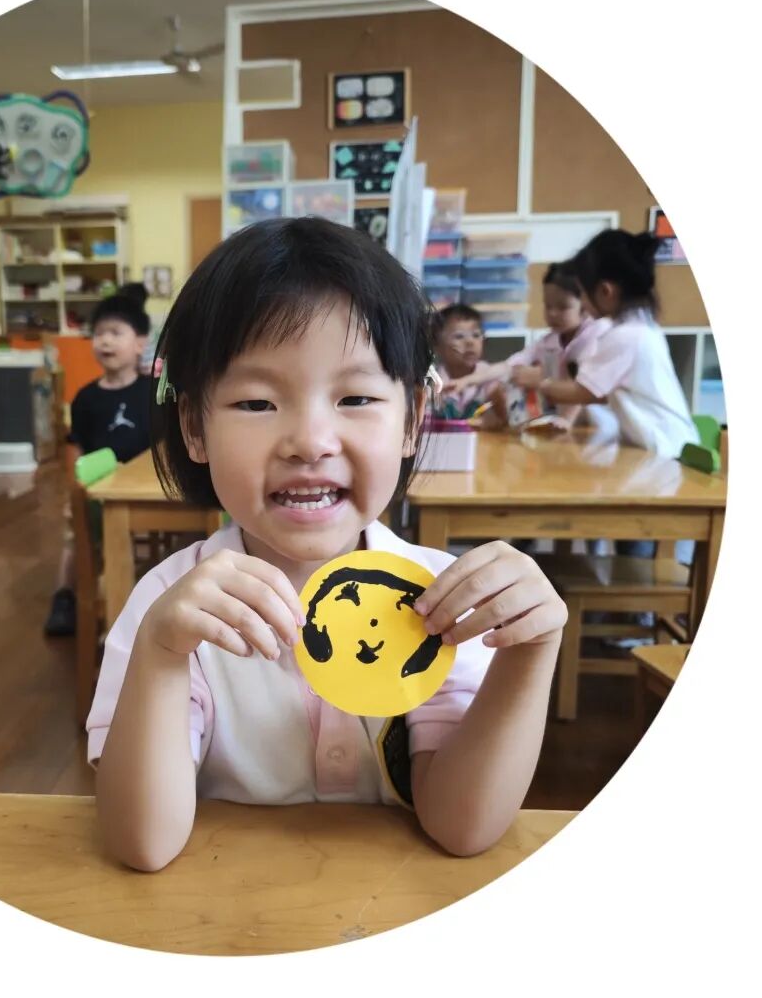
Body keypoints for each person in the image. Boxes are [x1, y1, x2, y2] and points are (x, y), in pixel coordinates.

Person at [86, 217, 567, 871]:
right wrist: (162, 654)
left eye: (357, 397)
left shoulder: (442, 603)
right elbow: (141, 844)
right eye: (257, 403)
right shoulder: (169, 606)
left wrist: (530, 653)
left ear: (412, 420)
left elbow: (461, 826)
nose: (310, 441)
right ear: (194, 427)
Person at [539, 229, 699, 565]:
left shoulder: (625, 336)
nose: (583, 305)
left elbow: (585, 391)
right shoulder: (642, 329)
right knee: (636, 547)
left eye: (582, 294)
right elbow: (600, 392)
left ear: (606, 291)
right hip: (660, 453)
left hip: (664, 458)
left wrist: (540, 382)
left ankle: (641, 597)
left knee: (643, 551)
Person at [44, 294, 153, 636]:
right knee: (75, 535)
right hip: (97, 491)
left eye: (115, 332)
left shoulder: (153, 393)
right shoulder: (85, 398)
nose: (105, 341)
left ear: (140, 343)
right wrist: (75, 490)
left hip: (143, 491)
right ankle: (65, 596)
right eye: (99, 333)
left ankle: (145, 601)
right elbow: (77, 448)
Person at [444, 262, 616, 433]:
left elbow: (582, 386)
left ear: (585, 305)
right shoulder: (550, 340)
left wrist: (565, 419)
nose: (552, 313)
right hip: (568, 423)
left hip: (601, 423)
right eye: (548, 306)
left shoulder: (596, 335)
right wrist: (466, 381)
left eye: (563, 307)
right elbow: (508, 366)